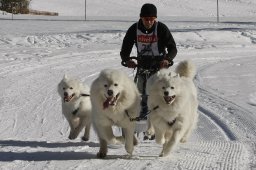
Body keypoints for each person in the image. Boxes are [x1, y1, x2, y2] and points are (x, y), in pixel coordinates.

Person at [120, 3, 177, 118]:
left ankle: (163, 113)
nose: (149, 22)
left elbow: (172, 48)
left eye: (152, 19)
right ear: (141, 18)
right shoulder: (134, 29)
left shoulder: (161, 28)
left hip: (159, 65)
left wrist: (167, 59)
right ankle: (141, 114)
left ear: (155, 19)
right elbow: (125, 48)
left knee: (160, 91)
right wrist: (127, 60)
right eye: (146, 19)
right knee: (141, 91)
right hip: (142, 64)